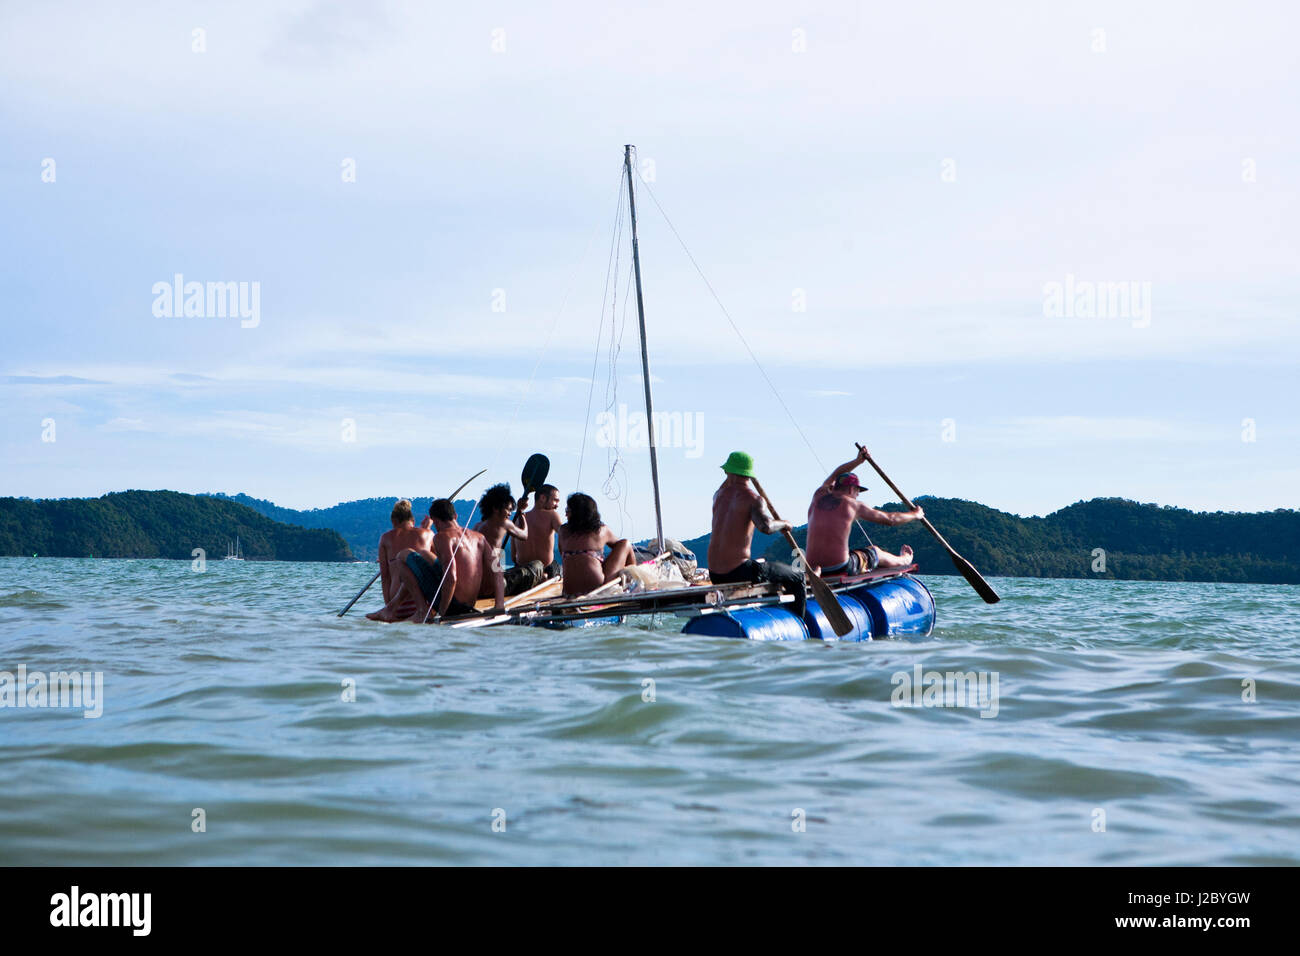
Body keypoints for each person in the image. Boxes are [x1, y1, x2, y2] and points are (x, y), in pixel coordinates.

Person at [706, 451, 807, 617]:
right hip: (739, 572)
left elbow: (727, 481)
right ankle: (800, 624)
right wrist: (785, 524)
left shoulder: (718, 496)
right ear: (749, 475)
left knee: (766, 568)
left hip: (715, 574)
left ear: (727, 471)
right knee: (798, 577)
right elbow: (765, 526)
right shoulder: (754, 499)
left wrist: (732, 472)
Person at [374, 498, 504, 621]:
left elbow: (451, 577)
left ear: (435, 521)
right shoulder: (479, 537)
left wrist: (442, 612)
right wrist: (499, 606)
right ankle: (404, 609)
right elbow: (498, 570)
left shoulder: (442, 537)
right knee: (424, 553)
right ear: (456, 516)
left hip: (452, 607)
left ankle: (421, 611)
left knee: (403, 555)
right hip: (470, 604)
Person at [804, 445, 924, 576]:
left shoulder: (818, 495)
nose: (858, 495)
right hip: (839, 568)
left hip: (812, 567)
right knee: (875, 552)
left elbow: (835, 474)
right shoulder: (853, 505)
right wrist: (915, 514)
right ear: (851, 489)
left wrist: (857, 461)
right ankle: (904, 559)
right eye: (857, 491)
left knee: (858, 553)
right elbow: (891, 519)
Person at [556, 493, 635, 596]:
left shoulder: (562, 531)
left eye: (568, 511)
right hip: (597, 589)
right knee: (626, 544)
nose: (566, 514)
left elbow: (564, 554)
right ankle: (635, 581)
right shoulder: (601, 530)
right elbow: (619, 546)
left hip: (569, 592)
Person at [472, 483, 542, 598]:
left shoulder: (477, 526)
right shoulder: (503, 523)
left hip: (479, 587)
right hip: (495, 588)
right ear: (495, 508)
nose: (509, 514)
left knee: (502, 558)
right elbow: (524, 535)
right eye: (508, 509)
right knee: (537, 565)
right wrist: (521, 513)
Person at [375, 499, 433, 606]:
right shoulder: (428, 534)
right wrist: (427, 529)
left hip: (398, 603)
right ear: (413, 521)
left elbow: (385, 577)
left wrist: (389, 607)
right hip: (425, 603)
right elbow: (435, 565)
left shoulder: (385, 538)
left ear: (394, 521)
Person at [512, 483, 563, 580]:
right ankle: (543, 577)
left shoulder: (519, 518)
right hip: (546, 569)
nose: (557, 505)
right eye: (555, 500)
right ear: (543, 498)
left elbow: (513, 557)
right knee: (559, 568)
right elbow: (565, 535)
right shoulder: (552, 515)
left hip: (522, 568)